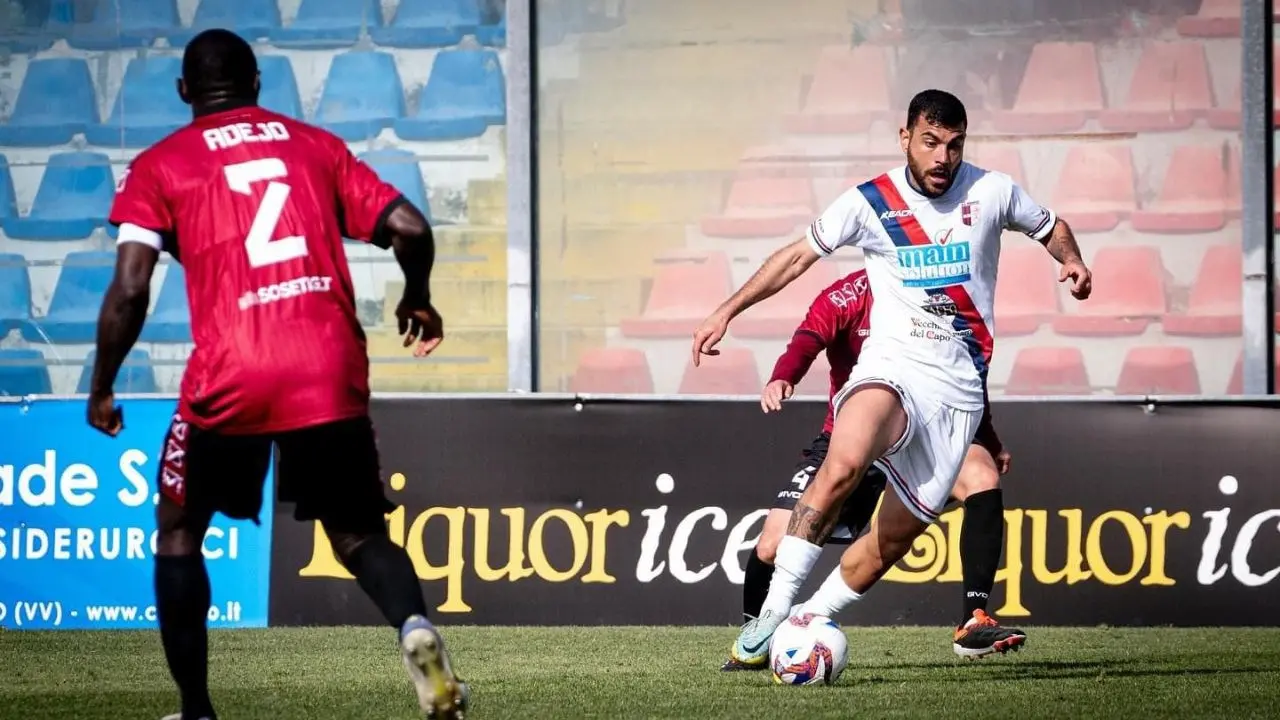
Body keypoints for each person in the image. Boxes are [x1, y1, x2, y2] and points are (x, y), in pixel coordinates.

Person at [86, 29, 468, 720]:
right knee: (356, 534)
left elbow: (131, 288)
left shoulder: (158, 166)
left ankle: (197, 709)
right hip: (327, 367)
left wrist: (102, 383)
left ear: (183, 92)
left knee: (178, 529)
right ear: (258, 83)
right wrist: (417, 297)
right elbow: (409, 227)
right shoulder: (314, 145)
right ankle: (416, 630)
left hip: (232, 373)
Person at [691, 89, 1092, 668]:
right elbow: (794, 258)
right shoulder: (870, 201)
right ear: (905, 138)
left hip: (955, 395)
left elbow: (1051, 226)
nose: (942, 158)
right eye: (930, 142)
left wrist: (1071, 260)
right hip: (891, 370)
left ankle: (812, 619)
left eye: (954, 145)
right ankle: (776, 611)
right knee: (846, 459)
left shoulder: (992, 191)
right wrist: (727, 309)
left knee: (892, 541)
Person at [720, 268, 1024, 672]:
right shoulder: (850, 293)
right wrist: (783, 376)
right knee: (771, 544)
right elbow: (808, 337)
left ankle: (974, 619)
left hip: (922, 435)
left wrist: (989, 437)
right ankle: (757, 639)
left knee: (982, 475)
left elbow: (965, 375)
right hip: (850, 441)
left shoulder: (937, 297)